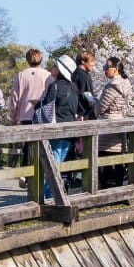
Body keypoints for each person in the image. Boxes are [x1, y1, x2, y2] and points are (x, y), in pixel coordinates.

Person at [37, 55, 85, 198]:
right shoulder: (74, 88)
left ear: (60, 69)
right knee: (58, 162)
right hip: (69, 132)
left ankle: (50, 196)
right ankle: (51, 194)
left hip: (55, 130)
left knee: (53, 164)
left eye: (54, 65)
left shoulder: (55, 86)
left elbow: (48, 107)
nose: (52, 67)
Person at [96, 57, 132, 188]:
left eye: (107, 67)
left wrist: (94, 104)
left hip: (108, 122)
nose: (104, 70)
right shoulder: (126, 84)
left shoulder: (112, 87)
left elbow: (101, 107)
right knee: (118, 158)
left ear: (116, 69)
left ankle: (105, 188)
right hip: (119, 120)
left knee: (103, 156)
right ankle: (118, 186)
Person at [11, 48, 49, 125]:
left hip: (25, 116)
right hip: (43, 115)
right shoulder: (48, 75)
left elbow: (14, 99)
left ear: (27, 59)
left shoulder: (20, 75)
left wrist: (13, 117)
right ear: (41, 59)